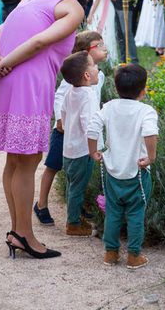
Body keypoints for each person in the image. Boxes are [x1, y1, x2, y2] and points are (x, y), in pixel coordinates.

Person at [0, 0, 89, 259]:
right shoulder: (71, 6)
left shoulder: (29, 1)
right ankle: (24, 235)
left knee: (14, 162)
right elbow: (39, 42)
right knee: (27, 161)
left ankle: (16, 230)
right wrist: (1, 64)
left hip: (7, 82)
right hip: (27, 86)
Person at [87, 64, 158, 269]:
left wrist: (93, 151)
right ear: (143, 90)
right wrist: (151, 157)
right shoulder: (146, 111)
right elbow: (150, 133)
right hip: (137, 172)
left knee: (113, 211)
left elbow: (93, 127)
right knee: (136, 213)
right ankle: (134, 256)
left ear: (117, 88)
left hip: (113, 171)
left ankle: (111, 253)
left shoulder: (109, 107)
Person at [34, 30, 108, 226]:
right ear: (86, 51)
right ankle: (41, 204)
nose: (104, 48)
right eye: (99, 45)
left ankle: (78, 208)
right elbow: (60, 98)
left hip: (81, 134)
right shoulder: (74, 76)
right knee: (53, 166)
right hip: (65, 131)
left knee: (76, 176)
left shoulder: (98, 75)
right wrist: (60, 120)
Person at [59, 50, 102, 237]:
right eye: (93, 65)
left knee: (71, 185)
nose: (97, 67)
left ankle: (75, 216)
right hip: (82, 151)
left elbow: (63, 114)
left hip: (69, 148)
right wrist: (95, 148)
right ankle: (73, 223)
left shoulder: (71, 92)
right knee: (77, 187)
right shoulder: (88, 96)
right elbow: (89, 125)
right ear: (86, 75)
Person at [112, 0, 139, 64]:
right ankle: (122, 59)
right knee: (119, 33)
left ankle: (133, 60)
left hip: (127, 4)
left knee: (127, 32)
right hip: (114, 4)